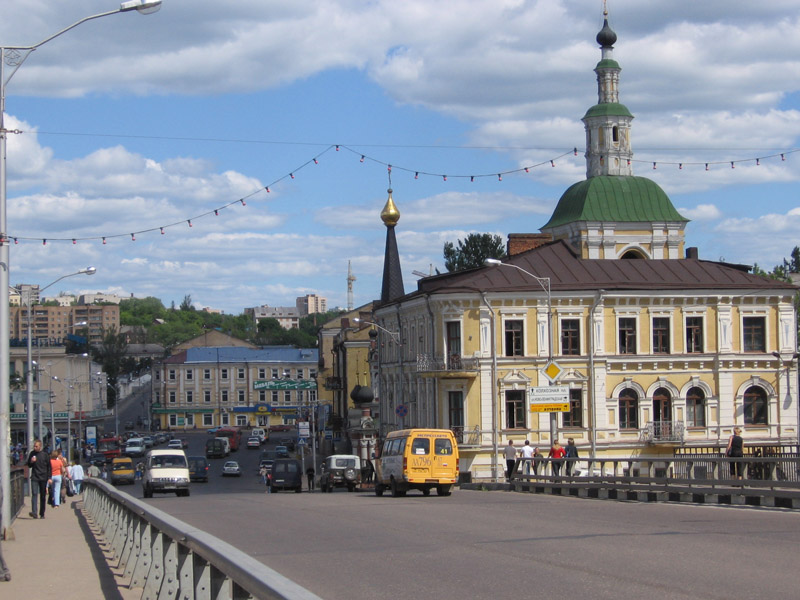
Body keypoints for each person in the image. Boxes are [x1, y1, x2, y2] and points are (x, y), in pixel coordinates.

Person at [26, 439, 52, 519]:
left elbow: (49, 467)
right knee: (34, 494)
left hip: (43, 477)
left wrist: (49, 477)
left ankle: (42, 513)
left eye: (36, 446)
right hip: (34, 476)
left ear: (40, 446)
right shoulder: (32, 454)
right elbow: (29, 465)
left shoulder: (45, 454)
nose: (35, 447)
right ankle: (34, 512)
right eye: (34, 446)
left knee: (43, 496)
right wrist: (31, 461)